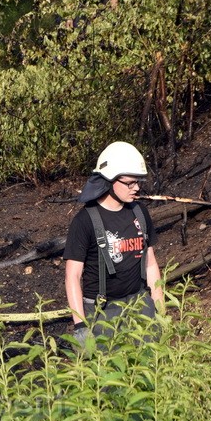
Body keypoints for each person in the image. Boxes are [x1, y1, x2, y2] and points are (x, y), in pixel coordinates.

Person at [64, 142, 164, 345]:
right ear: (109, 180)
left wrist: (161, 311)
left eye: (138, 182)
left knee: (150, 368)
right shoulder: (84, 221)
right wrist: (80, 326)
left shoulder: (140, 212)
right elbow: (72, 276)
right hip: (102, 312)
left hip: (140, 305)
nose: (136, 188)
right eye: (130, 183)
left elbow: (151, 264)